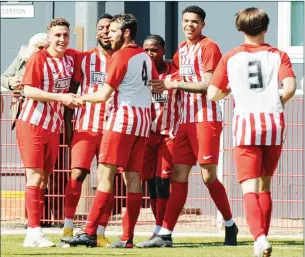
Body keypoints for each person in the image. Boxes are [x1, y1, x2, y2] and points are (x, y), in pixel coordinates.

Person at [61, 13, 159, 248]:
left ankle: (90, 232)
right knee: (133, 178)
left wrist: (79, 98)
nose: (109, 35)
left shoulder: (121, 56)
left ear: (126, 33)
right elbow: (157, 87)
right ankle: (127, 238)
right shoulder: (145, 56)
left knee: (105, 175)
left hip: (121, 121)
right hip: (143, 123)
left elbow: (104, 94)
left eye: (113, 31)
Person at [207, 7, 296, 257]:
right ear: (266, 28)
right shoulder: (278, 55)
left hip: (246, 124)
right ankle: (263, 237)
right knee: (266, 184)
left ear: (240, 28)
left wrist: (231, 92)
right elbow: (289, 87)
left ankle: (260, 238)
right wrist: (272, 100)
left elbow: (212, 93)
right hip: (273, 123)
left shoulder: (231, 56)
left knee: (249, 186)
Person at [147, 5, 238, 247]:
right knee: (178, 176)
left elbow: (208, 85)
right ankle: (165, 234)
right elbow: (174, 73)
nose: (189, 25)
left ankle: (230, 225)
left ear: (203, 25)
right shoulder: (181, 51)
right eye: (186, 21)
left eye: (194, 21)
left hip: (206, 118)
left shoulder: (209, 47)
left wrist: (172, 85)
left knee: (208, 176)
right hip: (184, 121)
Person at [16, 17, 80, 248]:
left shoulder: (72, 57)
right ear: (49, 37)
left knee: (43, 180)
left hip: (53, 126)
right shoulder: (38, 58)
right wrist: (61, 97)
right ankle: (32, 232)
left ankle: (35, 230)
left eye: (65, 35)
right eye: (57, 35)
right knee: (34, 178)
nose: (62, 39)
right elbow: (30, 91)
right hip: (32, 123)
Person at [61, 13, 114, 247]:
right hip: (85, 127)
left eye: (109, 28)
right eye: (101, 27)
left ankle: (100, 232)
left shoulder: (123, 59)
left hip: (113, 128)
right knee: (77, 175)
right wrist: (68, 126)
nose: (104, 31)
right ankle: (68, 227)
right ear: (96, 31)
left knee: (107, 179)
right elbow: (72, 92)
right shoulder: (84, 59)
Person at [135, 35, 180, 247]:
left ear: (163, 50)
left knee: (164, 182)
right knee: (150, 184)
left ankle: (162, 230)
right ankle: (157, 227)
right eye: (146, 49)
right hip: (147, 135)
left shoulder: (175, 74)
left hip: (168, 134)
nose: (150, 54)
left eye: (154, 49)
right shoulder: (140, 73)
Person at [1, 33, 49, 129]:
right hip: (22, 110)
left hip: (45, 111)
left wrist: (25, 84)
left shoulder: (52, 62)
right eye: (39, 47)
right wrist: (10, 82)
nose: (42, 50)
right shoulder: (22, 58)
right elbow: (3, 77)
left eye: (45, 47)